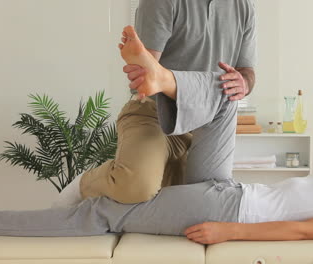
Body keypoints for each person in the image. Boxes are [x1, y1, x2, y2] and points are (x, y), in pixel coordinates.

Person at [0, 26, 313, 244]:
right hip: (227, 185)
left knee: (101, 214)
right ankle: (164, 80)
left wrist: (227, 232)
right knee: (229, 94)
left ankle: (76, 187)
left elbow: (300, 229)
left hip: (225, 207)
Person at [52, 0, 258, 206]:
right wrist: (146, 70)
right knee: (137, 187)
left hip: (209, 122)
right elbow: (145, 72)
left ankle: (165, 79)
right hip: (154, 113)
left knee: (206, 202)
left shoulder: (244, 6)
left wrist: (244, 83)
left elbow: (247, 72)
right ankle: (84, 183)